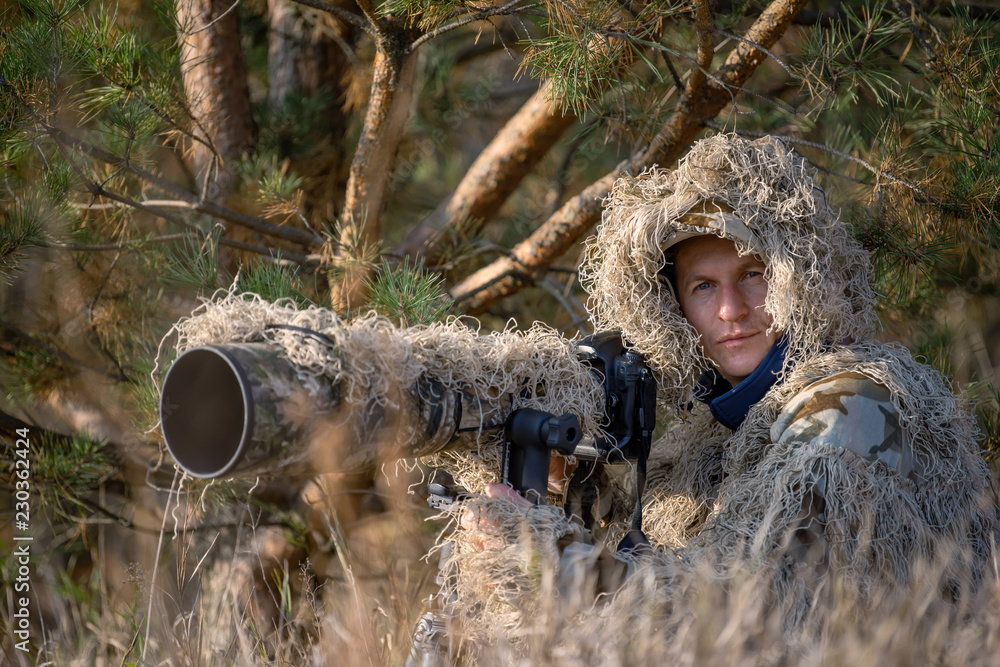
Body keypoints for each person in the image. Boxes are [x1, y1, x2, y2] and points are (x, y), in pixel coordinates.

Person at [452, 133, 998, 644]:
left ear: (798, 278)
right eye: (704, 286)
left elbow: (739, 608)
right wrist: (561, 490)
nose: (731, 311)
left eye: (754, 274)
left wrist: (544, 556)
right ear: (676, 308)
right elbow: (651, 557)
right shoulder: (714, 431)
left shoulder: (849, 404)